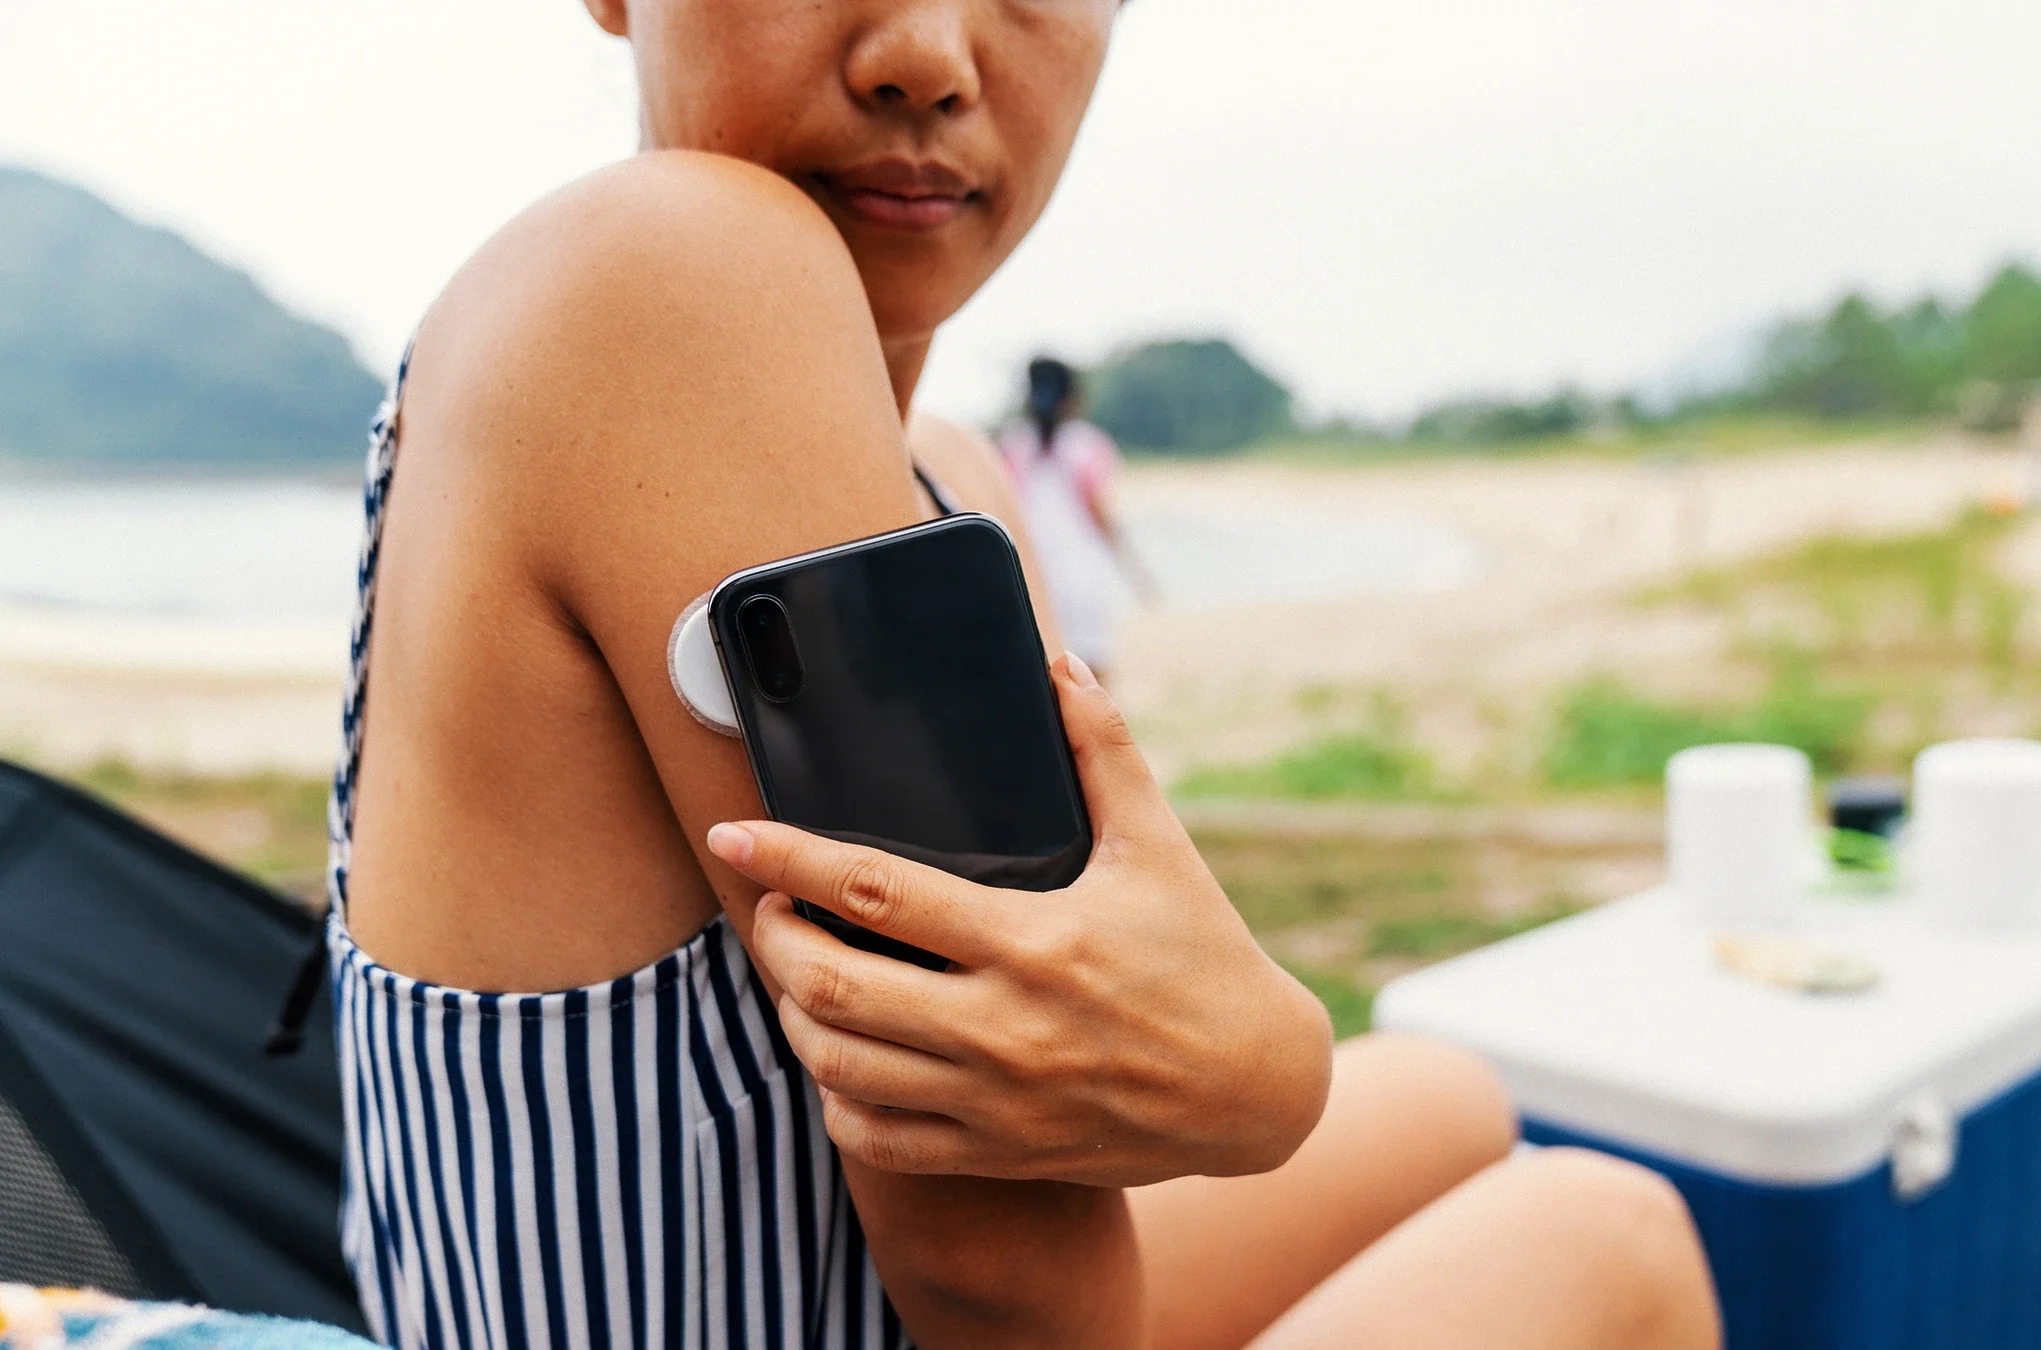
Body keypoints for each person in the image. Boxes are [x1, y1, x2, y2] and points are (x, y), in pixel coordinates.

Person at [331, 2, 1720, 1348]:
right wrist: (1268, 1079)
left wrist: (1251, 1073)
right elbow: (1019, 1300)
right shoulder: (678, 266)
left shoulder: (958, 470)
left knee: (1451, 1097)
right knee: (1611, 1235)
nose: (928, 56)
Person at [997, 358, 1143, 683]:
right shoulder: (1088, 445)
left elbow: (1005, 512)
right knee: (1094, 681)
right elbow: (1100, 514)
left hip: (1030, 575)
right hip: (1081, 575)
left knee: (1042, 677)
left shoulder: (1013, 444)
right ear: (1073, 398)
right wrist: (1136, 573)